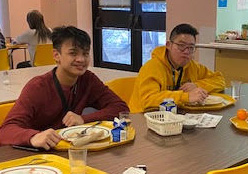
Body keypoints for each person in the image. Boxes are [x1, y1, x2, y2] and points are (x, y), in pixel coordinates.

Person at [0, 26, 129, 150]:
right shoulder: (37, 87)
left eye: (85, 54)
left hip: (70, 150)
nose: (81, 59)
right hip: (36, 155)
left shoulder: (88, 80)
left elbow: (121, 109)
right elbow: (5, 131)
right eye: (73, 53)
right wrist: (33, 137)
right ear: (56, 55)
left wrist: (83, 119)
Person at [129, 23, 225, 113]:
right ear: (169, 45)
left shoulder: (192, 66)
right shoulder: (152, 67)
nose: (186, 51)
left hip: (173, 118)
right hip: (143, 118)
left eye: (191, 47)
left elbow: (220, 80)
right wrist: (186, 97)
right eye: (181, 46)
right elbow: (148, 100)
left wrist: (197, 85)